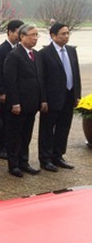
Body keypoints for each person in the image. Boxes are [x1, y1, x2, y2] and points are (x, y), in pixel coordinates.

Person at [38, 23, 81, 171]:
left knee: (64, 127)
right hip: (51, 98)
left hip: (68, 96)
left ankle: (58, 155)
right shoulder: (44, 53)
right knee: (47, 129)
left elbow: (76, 74)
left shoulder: (71, 51)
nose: (66, 36)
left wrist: (77, 95)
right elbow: (41, 79)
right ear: (53, 35)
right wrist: (43, 99)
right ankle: (45, 158)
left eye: (67, 33)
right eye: (63, 34)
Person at [4, 23, 44, 178]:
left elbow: (40, 79)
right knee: (15, 136)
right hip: (18, 104)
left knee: (26, 135)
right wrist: (14, 102)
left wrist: (42, 100)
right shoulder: (14, 55)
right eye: (31, 35)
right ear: (22, 37)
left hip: (32, 103)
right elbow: (10, 81)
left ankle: (24, 161)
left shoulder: (36, 55)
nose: (34, 38)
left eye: (36, 35)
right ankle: (13, 165)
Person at [0, 20, 24, 159]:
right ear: (10, 32)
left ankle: (13, 147)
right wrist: (1, 91)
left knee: (14, 123)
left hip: (17, 92)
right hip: (4, 93)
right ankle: (1, 147)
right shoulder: (0, 50)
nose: (19, 35)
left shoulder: (21, 49)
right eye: (17, 32)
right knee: (3, 122)